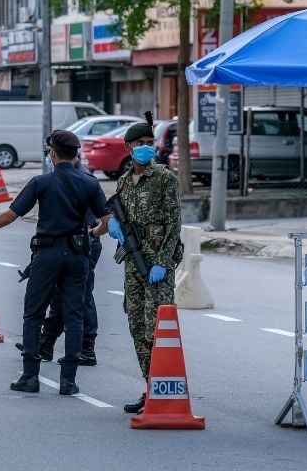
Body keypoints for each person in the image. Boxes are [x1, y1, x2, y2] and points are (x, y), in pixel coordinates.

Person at [0, 129, 110, 395]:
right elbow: (106, 221)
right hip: (77, 256)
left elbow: (10, 215)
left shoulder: (41, 182)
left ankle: (30, 376)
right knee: (74, 316)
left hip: (47, 255)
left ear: (52, 153)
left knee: (33, 314)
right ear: (76, 155)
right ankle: (69, 381)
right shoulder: (90, 183)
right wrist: (91, 234)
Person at [105, 111, 182, 415]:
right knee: (137, 327)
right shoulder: (124, 182)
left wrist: (163, 261)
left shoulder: (164, 177)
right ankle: (150, 387)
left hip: (157, 267)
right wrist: (112, 225)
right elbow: (119, 216)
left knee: (158, 330)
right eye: (140, 142)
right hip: (133, 267)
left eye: (150, 142)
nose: (146, 147)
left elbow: (175, 223)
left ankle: (164, 389)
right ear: (128, 146)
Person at [15, 155, 103, 366]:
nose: (49, 156)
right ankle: (46, 343)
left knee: (81, 298)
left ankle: (86, 348)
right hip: (70, 243)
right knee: (58, 296)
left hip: (82, 241)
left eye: (51, 151)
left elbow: (96, 219)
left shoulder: (81, 179)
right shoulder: (64, 177)